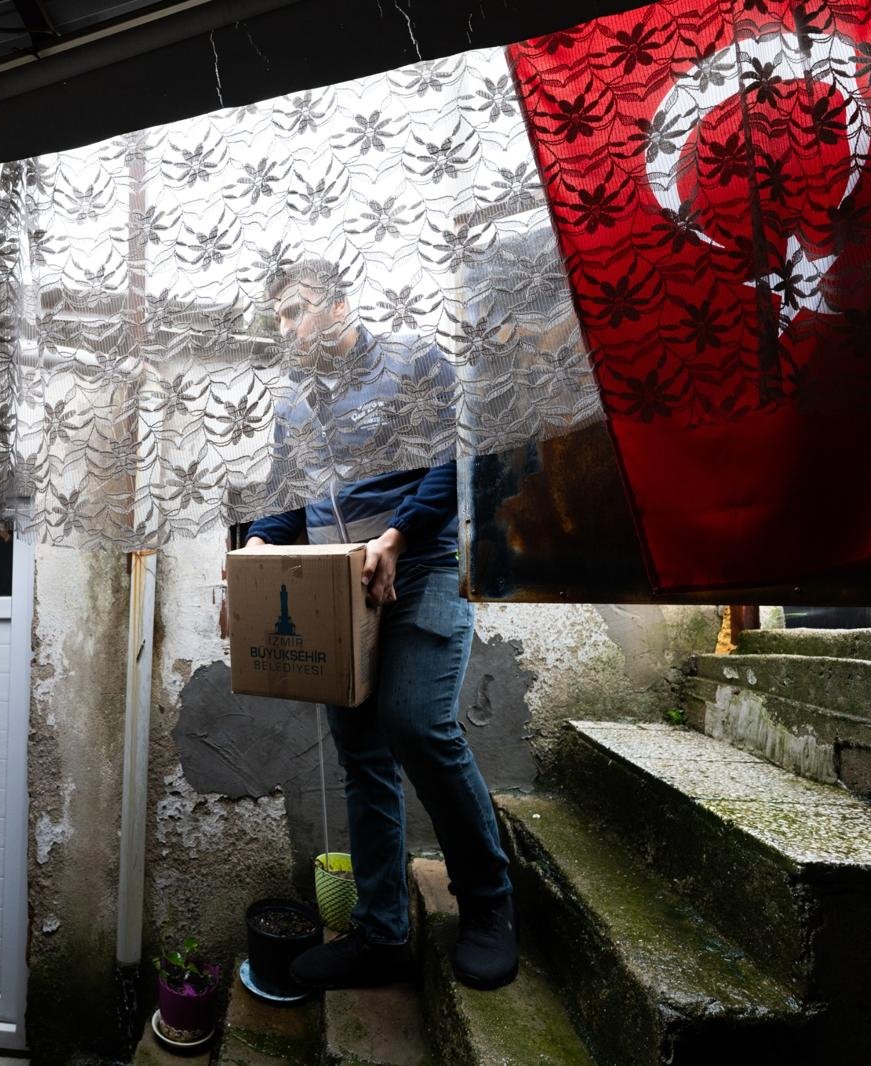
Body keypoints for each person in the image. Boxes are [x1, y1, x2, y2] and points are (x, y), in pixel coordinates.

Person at [244, 258, 517, 991]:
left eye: (297, 309)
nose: (286, 327)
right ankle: (382, 936)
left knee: (416, 724)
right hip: (342, 588)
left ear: (340, 305)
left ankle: (489, 903)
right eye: (278, 316)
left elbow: (457, 457)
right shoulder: (292, 401)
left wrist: (397, 536)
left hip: (421, 566)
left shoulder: (412, 360)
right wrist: (258, 550)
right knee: (362, 755)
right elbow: (283, 493)